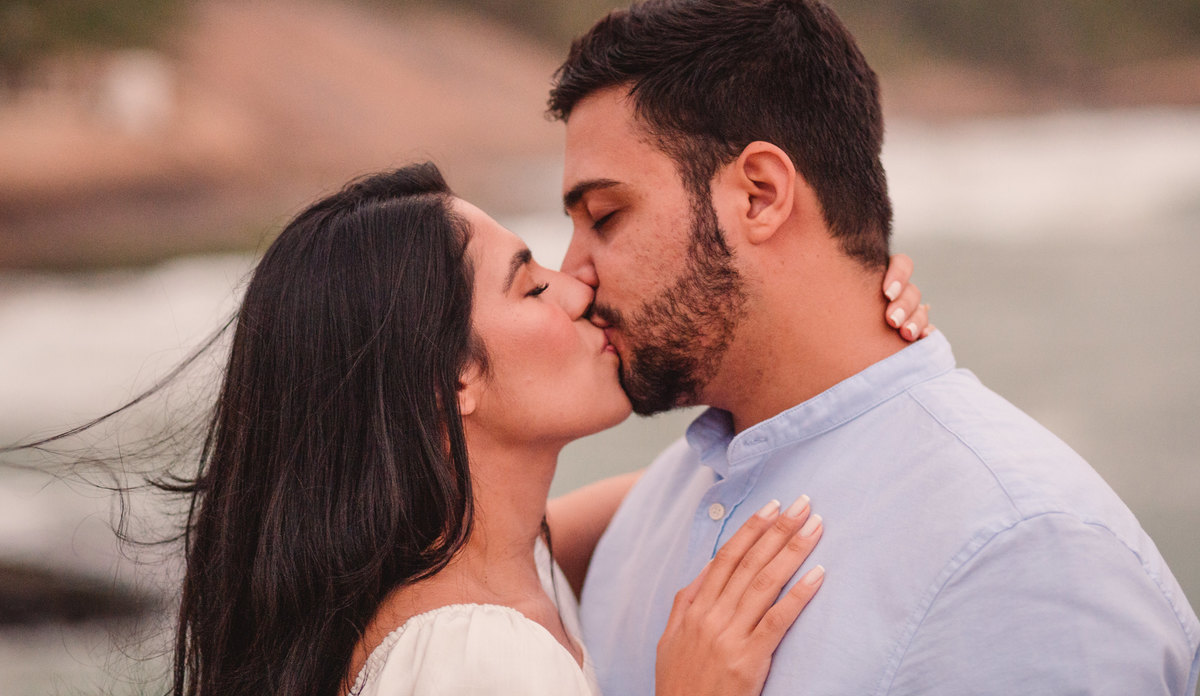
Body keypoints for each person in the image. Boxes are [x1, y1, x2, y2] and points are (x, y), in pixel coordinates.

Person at [6, 163, 920, 696]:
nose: (578, 286)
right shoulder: (477, 662)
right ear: (451, 377)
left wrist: (829, 335)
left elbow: (650, 501)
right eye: (528, 284)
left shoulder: (497, 568)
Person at [547, 0, 1200, 695]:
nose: (573, 275)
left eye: (605, 217)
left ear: (760, 196)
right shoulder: (655, 514)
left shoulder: (1022, 557)